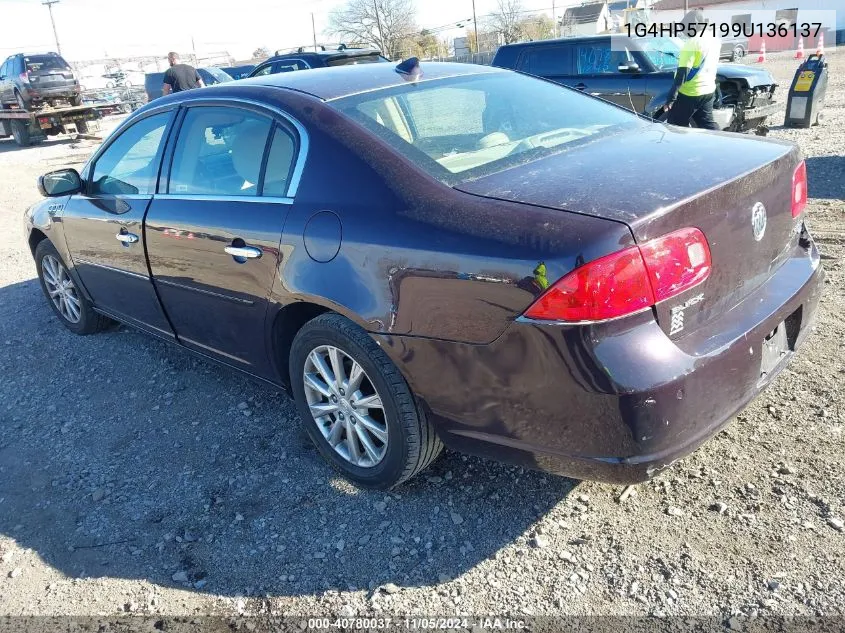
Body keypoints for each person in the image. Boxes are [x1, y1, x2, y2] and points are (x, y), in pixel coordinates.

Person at [665, 9, 721, 130]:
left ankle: (681, 148)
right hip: (708, 90)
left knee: (675, 126)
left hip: (690, 93)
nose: (684, 31)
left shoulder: (692, 43)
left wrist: (671, 98)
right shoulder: (713, 39)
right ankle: (722, 143)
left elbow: (682, 73)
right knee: (707, 124)